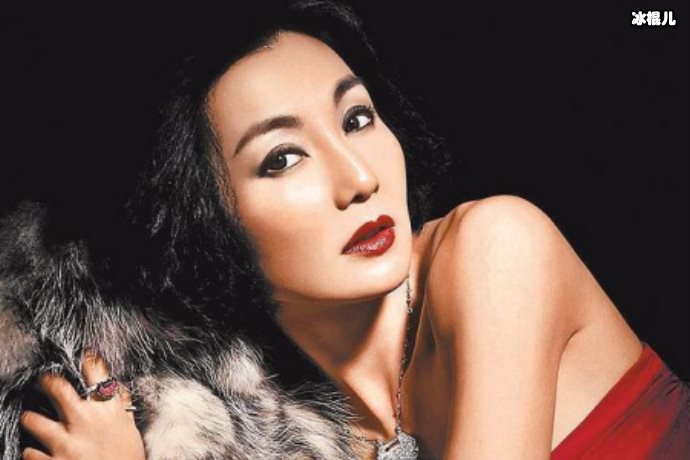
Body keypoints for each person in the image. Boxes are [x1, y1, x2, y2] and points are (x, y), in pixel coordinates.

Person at [2, 1, 688, 459]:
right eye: (283, 158)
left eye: (357, 119)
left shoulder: (498, 247)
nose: (358, 177)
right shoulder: (289, 431)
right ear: (205, 224)